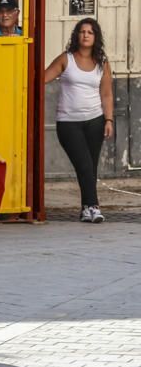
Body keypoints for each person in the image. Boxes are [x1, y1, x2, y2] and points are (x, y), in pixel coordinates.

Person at [43, 18, 113, 224]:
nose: (85, 35)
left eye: (90, 32)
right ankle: (93, 206)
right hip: (68, 122)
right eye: (82, 31)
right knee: (83, 164)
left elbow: (107, 93)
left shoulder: (102, 62)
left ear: (96, 37)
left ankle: (87, 208)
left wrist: (108, 119)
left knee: (90, 166)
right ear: (76, 35)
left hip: (95, 120)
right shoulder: (66, 59)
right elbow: (42, 78)